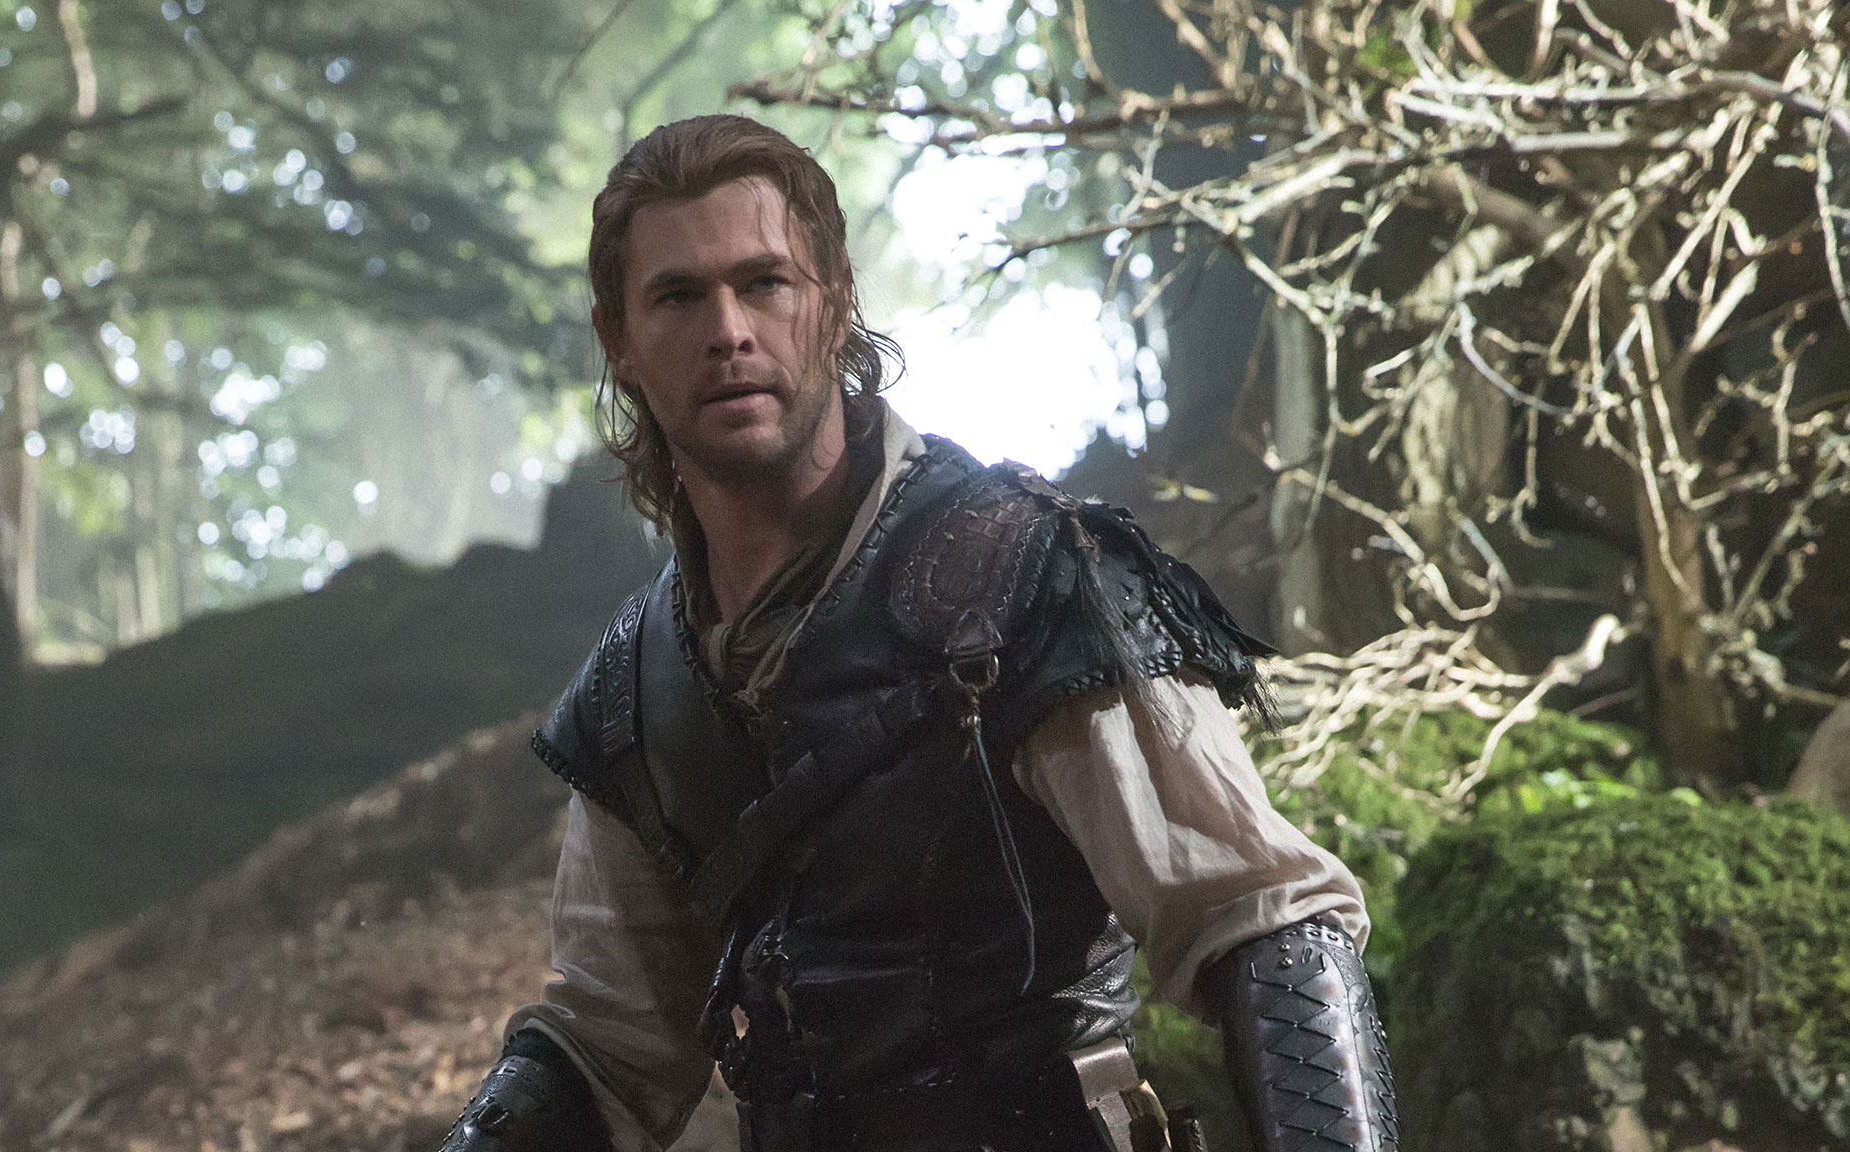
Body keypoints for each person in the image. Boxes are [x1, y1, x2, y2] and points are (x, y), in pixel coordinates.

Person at [439, 114, 1398, 1152]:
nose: (727, 331)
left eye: (764, 283)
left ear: (834, 303)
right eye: (677, 296)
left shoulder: (1027, 577)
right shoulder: (638, 685)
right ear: (619, 342)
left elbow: (1266, 927)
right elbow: (602, 1044)